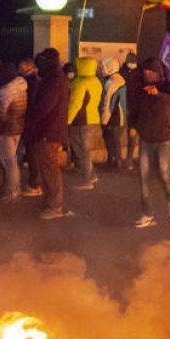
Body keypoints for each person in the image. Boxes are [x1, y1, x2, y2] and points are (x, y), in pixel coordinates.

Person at [130, 58, 170, 228]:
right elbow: (135, 110)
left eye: (150, 72)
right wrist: (134, 126)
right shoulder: (140, 90)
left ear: (158, 73)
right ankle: (147, 214)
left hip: (164, 139)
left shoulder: (167, 88)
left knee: (164, 173)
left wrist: (158, 93)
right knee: (143, 177)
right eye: (145, 72)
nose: (147, 75)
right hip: (146, 139)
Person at [26, 49, 70, 220]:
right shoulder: (54, 78)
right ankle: (50, 202)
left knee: (50, 169)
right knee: (47, 169)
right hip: (49, 130)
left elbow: (44, 107)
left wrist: (32, 118)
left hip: (49, 132)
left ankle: (54, 206)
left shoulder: (54, 80)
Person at [67, 57, 102, 191]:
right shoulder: (96, 81)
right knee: (86, 150)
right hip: (93, 118)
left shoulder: (80, 82)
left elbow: (75, 104)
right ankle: (91, 175)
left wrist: (67, 120)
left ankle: (86, 180)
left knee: (81, 150)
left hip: (80, 120)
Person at [0, 62, 28, 201]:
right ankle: (16, 188)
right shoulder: (22, 88)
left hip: (6, 129)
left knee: (9, 161)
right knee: (13, 160)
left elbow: (1, 113)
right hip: (19, 127)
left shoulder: (6, 91)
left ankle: (12, 191)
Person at [16, 58, 42, 197]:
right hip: (34, 123)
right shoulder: (38, 81)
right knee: (33, 153)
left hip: (30, 123)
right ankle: (35, 181)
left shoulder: (30, 82)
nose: (19, 70)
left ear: (28, 68)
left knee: (32, 153)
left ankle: (34, 184)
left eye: (21, 67)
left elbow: (29, 103)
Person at [99, 58, 128, 169]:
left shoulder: (111, 83)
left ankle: (116, 162)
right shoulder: (120, 79)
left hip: (113, 118)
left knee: (113, 141)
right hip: (120, 117)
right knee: (115, 141)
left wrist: (104, 119)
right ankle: (115, 161)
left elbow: (108, 103)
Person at [121, 54, 141, 171]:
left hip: (135, 108)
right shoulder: (122, 73)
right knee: (118, 133)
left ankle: (129, 158)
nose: (132, 64)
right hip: (123, 107)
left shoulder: (139, 74)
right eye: (130, 62)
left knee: (132, 134)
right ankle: (118, 158)